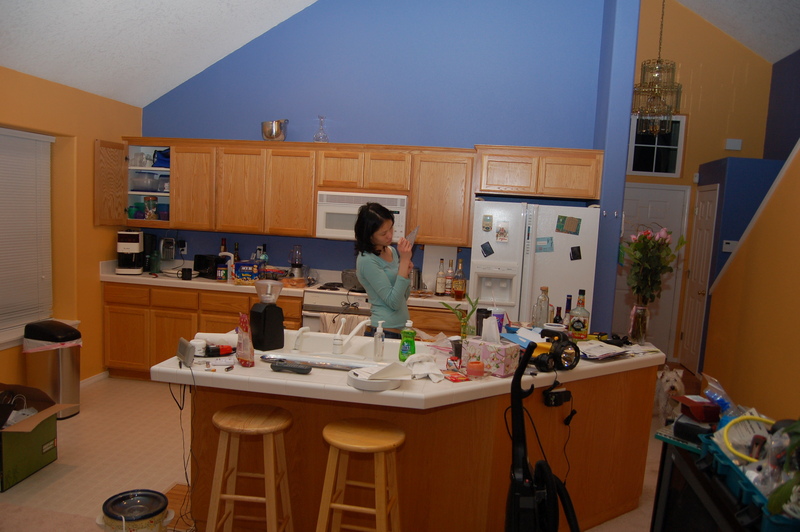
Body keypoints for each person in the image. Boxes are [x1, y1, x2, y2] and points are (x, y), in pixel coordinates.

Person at [355, 202, 413, 338]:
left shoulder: (391, 251)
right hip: (383, 333)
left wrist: (405, 271)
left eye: (391, 228)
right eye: (383, 233)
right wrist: (404, 261)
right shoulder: (367, 260)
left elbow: (403, 298)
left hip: (401, 330)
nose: (390, 235)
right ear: (369, 236)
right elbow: (394, 303)